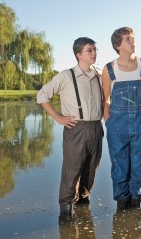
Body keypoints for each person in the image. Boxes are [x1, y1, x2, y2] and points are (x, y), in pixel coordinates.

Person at [37, 37, 103, 215]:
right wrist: (58, 118)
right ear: (79, 54)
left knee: (91, 169)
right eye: (90, 50)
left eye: (95, 50)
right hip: (76, 129)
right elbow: (42, 95)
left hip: (97, 128)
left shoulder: (99, 76)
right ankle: (66, 209)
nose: (94, 53)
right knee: (72, 169)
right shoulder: (66, 76)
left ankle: (83, 205)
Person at [102, 27, 141, 210]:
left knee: (140, 162)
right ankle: (122, 200)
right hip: (116, 124)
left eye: (133, 38)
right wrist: (109, 123)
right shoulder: (108, 68)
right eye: (128, 39)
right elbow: (106, 100)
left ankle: (136, 198)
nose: (133, 41)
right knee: (119, 165)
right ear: (118, 45)